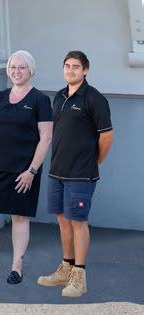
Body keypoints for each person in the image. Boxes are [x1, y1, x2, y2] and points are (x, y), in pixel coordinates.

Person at [0, 50, 52, 285]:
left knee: (19, 218)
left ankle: (16, 268)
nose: (17, 71)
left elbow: (46, 138)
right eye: (13, 67)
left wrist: (32, 171)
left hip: (23, 173)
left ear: (31, 70)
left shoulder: (40, 100)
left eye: (22, 67)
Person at [36, 50, 114, 299]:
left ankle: (79, 277)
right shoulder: (59, 96)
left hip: (81, 174)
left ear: (85, 70)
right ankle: (66, 267)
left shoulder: (94, 98)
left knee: (78, 222)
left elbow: (106, 136)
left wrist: (95, 161)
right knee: (63, 220)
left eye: (76, 67)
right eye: (67, 66)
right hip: (57, 171)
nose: (70, 70)